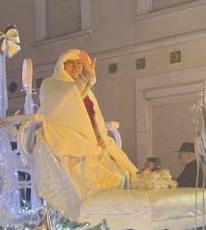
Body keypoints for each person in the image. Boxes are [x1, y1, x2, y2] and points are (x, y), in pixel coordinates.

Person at [34, 49, 138, 216]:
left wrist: (100, 135)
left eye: (80, 64)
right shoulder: (51, 84)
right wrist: (86, 77)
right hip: (66, 140)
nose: (76, 67)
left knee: (121, 174)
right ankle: (89, 217)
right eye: (72, 63)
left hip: (91, 142)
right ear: (62, 65)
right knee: (94, 178)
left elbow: (93, 117)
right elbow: (68, 98)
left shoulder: (87, 91)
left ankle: (114, 217)